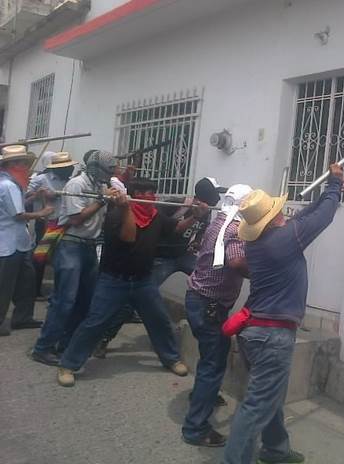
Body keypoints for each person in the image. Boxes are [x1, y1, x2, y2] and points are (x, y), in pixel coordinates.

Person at [222, 164, 344, 464]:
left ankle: (275, 449)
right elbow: (323, 217)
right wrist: (335, 184)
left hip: (255, 332)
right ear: (274, 218)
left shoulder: (259, 242)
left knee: (268, 394)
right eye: (279, 211)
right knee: (256, 405)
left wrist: (323, 191)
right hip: (272, 337)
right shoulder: (284, 240)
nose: (284, 214)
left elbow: (302, 218)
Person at [56, 177, 199, 387]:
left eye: (150, 193)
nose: (147, 197)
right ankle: (68, 365)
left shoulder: (155, 215)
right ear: (132, 195)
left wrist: (195, 216)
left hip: (143, 281)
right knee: (94, 323)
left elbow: (176, 228)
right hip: (113, 281)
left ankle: (171, 359)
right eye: (141, 193)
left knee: (159, 320)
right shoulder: (115, 214)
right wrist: (125, 209)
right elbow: (129, 237)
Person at [31, 150, 118, 366]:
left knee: (85, 301)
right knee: (65, 300)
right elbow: (76, 219)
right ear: (97, 168)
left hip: (89, 246)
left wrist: (113, 201)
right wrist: (102, 201)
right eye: (108, 171)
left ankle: (66, 344)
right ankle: (43, 347)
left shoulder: (100, 186)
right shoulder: (76, 185)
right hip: (71, 244)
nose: (110, 175)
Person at [182, 184, 252, 448]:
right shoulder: (234, 228)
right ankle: (195, 428)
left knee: (211, 357)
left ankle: (203, 395)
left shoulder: (219, 221)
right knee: (213, 364)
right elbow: (236, 262)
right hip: (209, 305)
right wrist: (263, 272)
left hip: (199, 300)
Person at [0, 145, 53, 336]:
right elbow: (18, 214)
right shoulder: (8, 186)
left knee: (26, 281)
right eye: (23, 164)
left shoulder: (11, 184)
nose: (26, 168)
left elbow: (17, 206)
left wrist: (34, 196)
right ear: (13, 165)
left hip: (18, 243)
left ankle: (23, 317)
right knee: (5, 285)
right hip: (9, 243)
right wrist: (42, 212)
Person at [153, 177, 225, 285]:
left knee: (209, 276)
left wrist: (197, 241)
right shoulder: (178, 204)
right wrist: (196, 216)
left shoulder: (207, 210)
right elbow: (174, 229)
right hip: (162, 256)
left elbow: (202, 228)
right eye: (216, 194)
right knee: (149, 287)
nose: (218, 198)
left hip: (183, 254)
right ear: (207, 194)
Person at [26, 152, 79, 299]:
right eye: (67, 168)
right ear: (57, 168)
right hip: (44, 223)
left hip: (64, 223)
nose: (70, 170)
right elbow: (25, 198)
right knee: (40, 257)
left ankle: (58, 291)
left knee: (61, 257)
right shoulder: (40, 179)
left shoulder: (71, 182)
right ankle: (35, 290)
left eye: (71, 167)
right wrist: (40, 194)